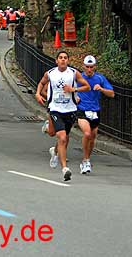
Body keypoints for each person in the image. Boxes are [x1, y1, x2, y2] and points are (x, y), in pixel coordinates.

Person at [35, 51, 90, 181]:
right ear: (56, 60)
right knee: (62, 136)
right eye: (60, 58)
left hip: (70, 110)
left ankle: (54, 151)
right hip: (55, 108)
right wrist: (38, 94)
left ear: (68, 60)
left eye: (65, 58)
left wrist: (73, 90)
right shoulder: (50, 73)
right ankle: (65, 168)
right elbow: (41, 83)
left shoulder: (73, 73)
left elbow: (87, 87)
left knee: (63, 137)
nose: (63, 60)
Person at [76, 55, 114, 174]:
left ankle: (86, 159)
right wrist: (75, 96)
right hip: (82, 109)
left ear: (95, 67)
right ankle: (85, 161)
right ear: (83, 67)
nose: (89, 69)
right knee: (87, 133)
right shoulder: (78, 78)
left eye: (91, 67)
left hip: (95, 111)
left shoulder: (100, 78)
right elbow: (67, 89)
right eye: (87, 67)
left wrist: (102, 89)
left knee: (92, 138)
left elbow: (112, 94)